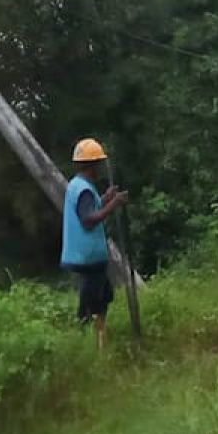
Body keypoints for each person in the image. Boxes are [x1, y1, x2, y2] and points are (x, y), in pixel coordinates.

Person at [61, 137, 128, 350]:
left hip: (87, 256)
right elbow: (88, 220)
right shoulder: (83, 189)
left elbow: (91, 207)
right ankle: (84, 344)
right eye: (98, 163)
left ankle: (99, 340)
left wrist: (105, 198)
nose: (99, 168)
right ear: (92, 165)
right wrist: (114, 204)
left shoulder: (79, 186)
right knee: (91, 304)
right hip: (87, 257)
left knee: (103, 296)